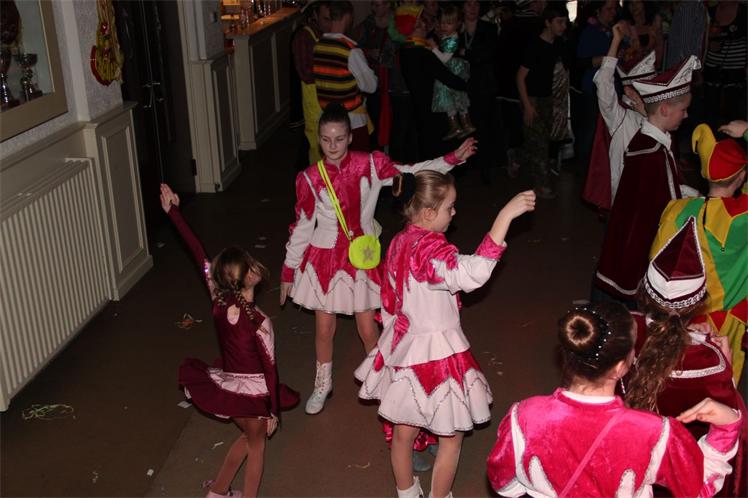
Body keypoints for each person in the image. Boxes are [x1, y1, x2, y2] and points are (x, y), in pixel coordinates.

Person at [280, 103, 477, 416]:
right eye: (327, 139)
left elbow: (411, 171)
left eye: (340, 139)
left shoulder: (369, 164)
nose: (333, 146)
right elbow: (302, 227)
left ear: (350, 137)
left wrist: (451, 159)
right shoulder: (309, 177)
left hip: (361, 257)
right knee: (324, 328)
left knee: (368, 328)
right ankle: (322, 383)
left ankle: (383, 380)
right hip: (324, 261)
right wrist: (288, 271)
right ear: (318, 139)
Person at [356, 171, 535, 498]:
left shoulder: (399, 241)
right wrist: (504, 217)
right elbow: (471, 273)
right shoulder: (430, 250)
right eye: (450, 207)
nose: (454, 213)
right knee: (451, 438)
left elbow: (390, 297)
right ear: (428, 213)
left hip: (405, 348)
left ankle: (406, 493)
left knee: (403, 434)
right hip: (437, 355)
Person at [487, 302, 742, 497]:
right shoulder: (654, 432)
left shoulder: (524, 416)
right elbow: (697, 487)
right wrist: (727, 425)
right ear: (621, 367)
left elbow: (503, 483)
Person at [159, 184, 299, 498]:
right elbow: (270, 370)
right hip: (255, 396)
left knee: (247, 440)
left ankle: (218, 492)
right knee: (257, 449)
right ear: (251, 276)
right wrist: (272, 412)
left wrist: (173, 212)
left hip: (229, 391)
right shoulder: (260, 323)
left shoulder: (218, 302)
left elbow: (198, 254)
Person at [627, 217, 747, 497]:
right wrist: (726, 368)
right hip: (678, 474)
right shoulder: (709, 360)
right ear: (698, 303)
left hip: (625, 461)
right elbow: (731, 428)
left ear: (645, 291)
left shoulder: (623, 330)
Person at [593, 55, 701, 307]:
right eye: (683, 110)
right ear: (665, 110)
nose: (686, 115)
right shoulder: (650, 152)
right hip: (642, 245)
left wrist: (690, 193)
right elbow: (660, 206)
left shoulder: (654, 143)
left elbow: (665, 186)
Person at [649, 124, 747, 382]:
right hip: (728, 322)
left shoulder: (677, 210)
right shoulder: (742, 217)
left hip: (682, 316)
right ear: (741, 177)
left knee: (679, 375)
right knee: (722, 380)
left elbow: (656, 262)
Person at [583, 22, 652, 212]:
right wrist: (616, 41)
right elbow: (604, 81)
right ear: (629, 92)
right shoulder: (619, 117)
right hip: (624, 198)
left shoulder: (655, 117)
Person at [396, 5, 469, 161]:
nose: (424, 25)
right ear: (412, 29)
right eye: (419, 24)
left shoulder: (406, 49)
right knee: (438, 154)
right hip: (434, 109)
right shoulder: (422, 52)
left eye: (423, 21)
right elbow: (447, 78)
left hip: (420, 106)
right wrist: (467, 84)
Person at [515, 4, 568, 199]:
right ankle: (542, 184)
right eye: (559, 22)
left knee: (538, 141)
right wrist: (528, 105)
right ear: (548, 23)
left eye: (565, 22)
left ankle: (516, 159)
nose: (563, 26)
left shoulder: (558, 44)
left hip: (547, 98)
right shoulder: (534, 46)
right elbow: (520, 77)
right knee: (540, 144)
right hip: (532, 99)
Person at [312, 0, 377, 152]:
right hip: (351, 122)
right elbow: (371, 86)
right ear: (347, 17)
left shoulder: (319, 45)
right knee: (358, 163)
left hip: (327, 120)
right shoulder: (350, 50)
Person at [571, 0, 616, 176]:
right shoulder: (590, 32)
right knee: (589, 130)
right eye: (609, 9)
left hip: (611, 88)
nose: (612, 12)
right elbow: (583, 61)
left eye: (614, 9)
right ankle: (584, 168)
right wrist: (608, 58)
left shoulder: (614, 31)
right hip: (593, 88)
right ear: (598, 11)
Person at [292, 0, 331, 164]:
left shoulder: (323, 33)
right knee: (316, 147)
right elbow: (306, 73)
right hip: (314, 104)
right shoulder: (304, 36)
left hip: (325, 101)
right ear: (314, 14)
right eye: (326, 19)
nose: (330, 24)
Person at [354, 0, 396, 150]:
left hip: (393, 78)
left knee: (393, 116)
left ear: (388, 4)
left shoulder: (397, 22)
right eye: (373, 4)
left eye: (378, 5)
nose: (374, 8)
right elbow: (356, 47)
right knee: (373, 116)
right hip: (372, 78)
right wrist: (369, 52)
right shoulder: (368, 23)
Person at [429, 3, 475, 142]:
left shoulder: (453, 39)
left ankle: (465, 124)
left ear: (457, 24)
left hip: (453, 71)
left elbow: (444, 58)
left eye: (448, 23)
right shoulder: (448, 35)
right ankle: (457, 126)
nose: (444, 26)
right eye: (443, 22)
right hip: (450, 70)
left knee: (456, 97)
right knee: (450, 99)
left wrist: (433, 48)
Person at [703, 1, 747, 129]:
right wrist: (709, 44)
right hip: (712, 67)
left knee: (733, 110)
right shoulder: (709, 12)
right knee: (710, 109)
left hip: (736, 68)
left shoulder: (744, 12)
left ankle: (733, 138)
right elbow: (700, 37)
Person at [621, 0, 663, 68]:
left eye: (637, 2)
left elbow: (659, 46)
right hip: (631, 69)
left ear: (645, 4)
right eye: (630, 3)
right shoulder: (624, 25)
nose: (634, 6)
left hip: (652, 68)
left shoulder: (655, 22)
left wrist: (658, 66)